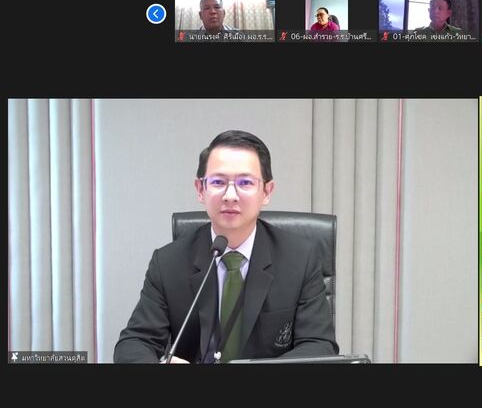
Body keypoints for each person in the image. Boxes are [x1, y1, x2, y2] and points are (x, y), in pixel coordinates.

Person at [115, 130, 338, 363]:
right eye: (218, 182)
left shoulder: (299, 260)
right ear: (200, 189)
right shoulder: (167, 263)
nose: (230, 195)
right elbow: (134, 343)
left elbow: (319, 345)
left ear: (267, 192)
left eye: (245, 182)